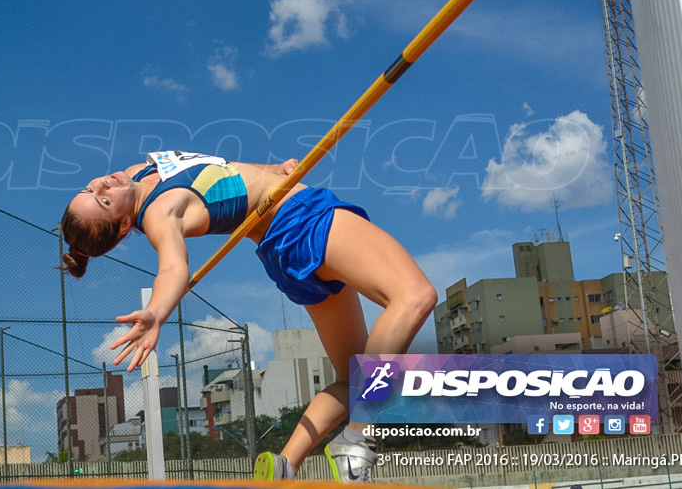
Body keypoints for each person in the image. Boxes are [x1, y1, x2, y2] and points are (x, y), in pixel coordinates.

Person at [59, 150, 436, 482]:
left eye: (90, 190)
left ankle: (285, 466)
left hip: (283, 247)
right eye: (104, 201)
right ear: (125, 225)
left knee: (351, 379)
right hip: (300, 221)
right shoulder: (159, 213)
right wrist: (157, 313)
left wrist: (272, 169)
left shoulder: (138, 172)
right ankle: (357, 442)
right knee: (414, 296)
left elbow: (220, 169)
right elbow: (174, 269)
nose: (101, 186)